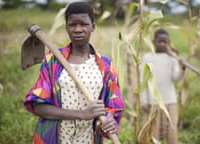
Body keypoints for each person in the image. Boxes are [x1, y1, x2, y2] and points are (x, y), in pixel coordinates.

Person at [23, 2, 125, 144]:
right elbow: (38, 106)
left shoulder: (106, 66)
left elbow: (113, 107)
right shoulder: (52, 61)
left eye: (83, 24)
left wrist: (104, 124)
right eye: (72, 25)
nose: (78, 29)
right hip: (53, 137)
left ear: (93, 27)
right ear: (66, 28)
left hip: (88, 139)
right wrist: (81, 114)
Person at [141, 29, 185, 144]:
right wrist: (144, 101)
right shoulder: (148, 57)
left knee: (171, 132)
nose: (162, 44)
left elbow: (175, 78)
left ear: (168, 42)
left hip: (169, 102)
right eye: (159, 41)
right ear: (153, 41)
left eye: (165, 42)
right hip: (152, 103)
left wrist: (182, 68)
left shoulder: (172, 58)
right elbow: (143, 81)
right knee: (151, 134)